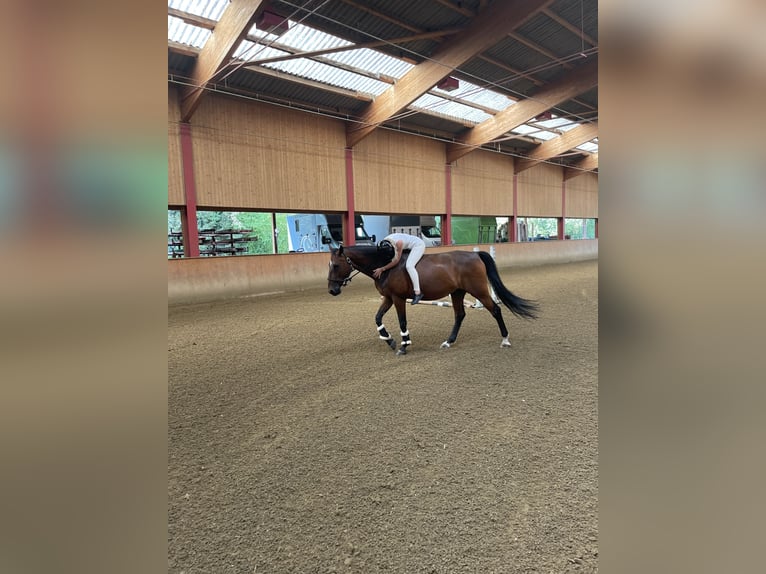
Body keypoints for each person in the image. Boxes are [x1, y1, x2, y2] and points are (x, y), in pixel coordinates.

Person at [373, 233, 426, 305]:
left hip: (418, 245)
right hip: (406, 246)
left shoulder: (399, 243)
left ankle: (418, 293)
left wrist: (382, 269)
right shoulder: (384, 242)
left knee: (409, 266)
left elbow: (396, 261)